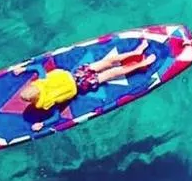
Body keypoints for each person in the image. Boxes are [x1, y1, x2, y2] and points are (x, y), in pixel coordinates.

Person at [17, 40, 157, 124]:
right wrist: (24, 69)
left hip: (83, 84)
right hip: (78, 73)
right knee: (109, 63)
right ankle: (137, 53)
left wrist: (42, 124)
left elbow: (55, 116)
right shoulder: (42, 81)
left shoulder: (47, 102)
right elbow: (38, 68)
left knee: (112, 71)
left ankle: (140, 60)